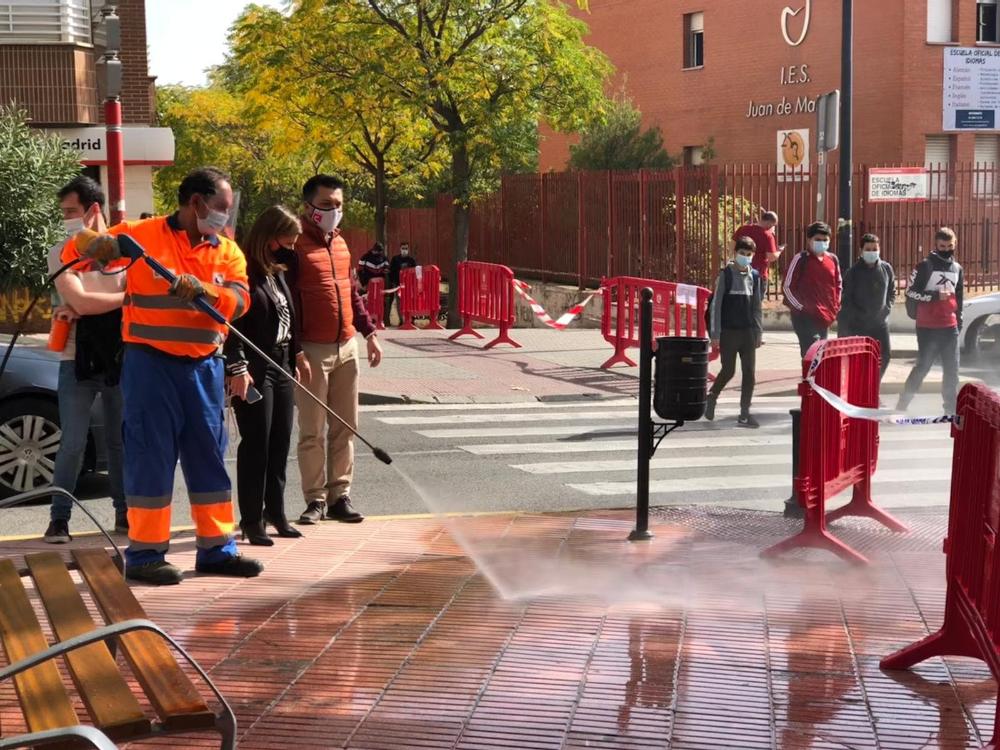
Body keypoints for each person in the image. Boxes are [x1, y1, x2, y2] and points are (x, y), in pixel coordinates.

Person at [77, 166, 263, 585]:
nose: (225, 217)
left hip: (204, 367)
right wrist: (96, 242)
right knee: (150, 456)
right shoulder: (142, 236)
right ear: (195, 203)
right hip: (150, 365)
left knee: (209, 457)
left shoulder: (227, 250)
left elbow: (241, 300)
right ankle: (144, 555)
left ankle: (217, 549)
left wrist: (204, 290)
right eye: (220, 208)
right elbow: (83, 249)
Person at [285, 175, 383, 526]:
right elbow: (289, 303)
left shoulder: (341, 245)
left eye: (338, 205)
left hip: (346, 346)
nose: (333, 211)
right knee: (312, 430)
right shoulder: (294, 247)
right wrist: (295, 350)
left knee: (346, 427)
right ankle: (315, 500)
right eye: (326, 205)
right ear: (308, 207)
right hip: (311, 349)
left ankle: (340, 495)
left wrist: (369, 332)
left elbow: (351, 293)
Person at [44, 176, 127, 544]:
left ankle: (125, 515)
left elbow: (85, 303)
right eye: (64, 213)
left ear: (95, 210)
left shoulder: (125, 249)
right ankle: (59, 520)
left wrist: (89, 305)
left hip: (121, 358)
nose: (67, 220)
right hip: (74, 358)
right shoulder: (63, 252)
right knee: (73, 444)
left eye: (72, 212)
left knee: (120, 440)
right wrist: (124, 302)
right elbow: (78, 302)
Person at [224, 206, 310, 546]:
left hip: (281, 365)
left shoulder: (277, 273)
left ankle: (275, 511)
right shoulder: (244, 273)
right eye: (286, 239)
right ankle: (250, 519)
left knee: (280, 442)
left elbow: (291, 315)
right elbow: (232, 327)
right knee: (256, 444)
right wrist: (238, 368)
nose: (290, 246)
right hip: (254, 368)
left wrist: (298, 353)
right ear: (268, 235)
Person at [897, 227, 964, 414]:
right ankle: (903, 403)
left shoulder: (957, 268)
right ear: (936, 245)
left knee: (952, 371)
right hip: (927, 326)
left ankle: (950, 409)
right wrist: (934, 296)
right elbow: (910, 292)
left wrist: (959, 322)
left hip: (949, 327)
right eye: (942, 246)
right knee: (923, 367)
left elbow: (959, 298)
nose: (946, 249)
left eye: (950, 246)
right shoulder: (924, 266)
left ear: (955, 245)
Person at [705, 237, 764, 428]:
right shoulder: (726, 275)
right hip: (729, 332)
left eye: (749, 255)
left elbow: (757, 307)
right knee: (728, 370)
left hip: (747, 332)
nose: (745, 257)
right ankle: (712, 396)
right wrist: (715, 334)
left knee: (749, 374)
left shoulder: (754, 276)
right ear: (735, 253)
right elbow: (716, 305)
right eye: (742, 253)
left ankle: (745, 413)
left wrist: (758, 332)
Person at [838, 233, 895, 381]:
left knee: (885, 356)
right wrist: (856, 316)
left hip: (880, 323)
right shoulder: (853, 272)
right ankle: (860, 388)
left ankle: (874, 387)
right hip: (859, 324)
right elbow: (846, 299)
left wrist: (887, 309)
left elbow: (892, 292)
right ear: (861, 251)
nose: (872, 252)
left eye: (874, 249)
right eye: (868, 249)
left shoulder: (886, 269)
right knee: (861, 359)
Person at [783, 221, 842, 357]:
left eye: (825, 240)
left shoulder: (833, 259)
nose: (821, 242)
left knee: (822, 353)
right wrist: (801, 307)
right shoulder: (800, 259)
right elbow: (787, 287)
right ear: (809, 240)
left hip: (824, 316)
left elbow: (838, 284)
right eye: (817, 239)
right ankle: (810, 378)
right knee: (812, 350)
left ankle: (816, 378)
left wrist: (836, 306)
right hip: (804, 316)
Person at [733, 210, 781, 281]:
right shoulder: (767, 236)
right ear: (769, 223)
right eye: (773, 225)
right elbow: (771, 257)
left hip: (740, 270)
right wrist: (779, 251)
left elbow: (732, 246)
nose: (772, 228)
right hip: (759, 273)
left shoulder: (743, 229)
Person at [386, 241, 417, 325]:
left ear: (408, 249)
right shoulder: (395, 259)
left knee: (410, 302)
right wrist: (393, 282)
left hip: (409, 285)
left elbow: (415, 272)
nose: (404, 250)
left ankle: (410, 320)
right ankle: (401, 320)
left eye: (406, 248)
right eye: (403, 248)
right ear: (400, 249)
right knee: (399, 303)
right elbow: (391, 272)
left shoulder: (411, 260)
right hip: (398, 284)